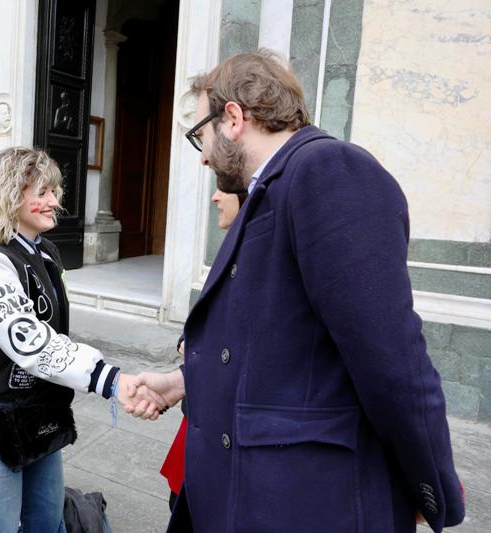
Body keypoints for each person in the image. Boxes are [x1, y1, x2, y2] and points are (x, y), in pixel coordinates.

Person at [134, 49, 465, 532]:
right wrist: (185, 381)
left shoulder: (329, 170)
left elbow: (393, 360)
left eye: (198, 136)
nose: (202, 155)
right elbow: (267, 343)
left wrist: (428, 483)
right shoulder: (272, 188)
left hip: (303, 501)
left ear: (232, 118)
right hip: (245, 497)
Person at [0, 147, 164, 532]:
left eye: (54, 191)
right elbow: (31, 342)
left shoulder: (45, 250)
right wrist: (110, 380)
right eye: (42, 192)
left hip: (38, 406)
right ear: (9, 195)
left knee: (46, 519)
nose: (54, 201)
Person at [160, 187, 246, 510]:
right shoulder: (232, 247)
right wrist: (188, 341)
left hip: (224, 428)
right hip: (199, 417)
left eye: (224, 189)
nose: (214, 196)